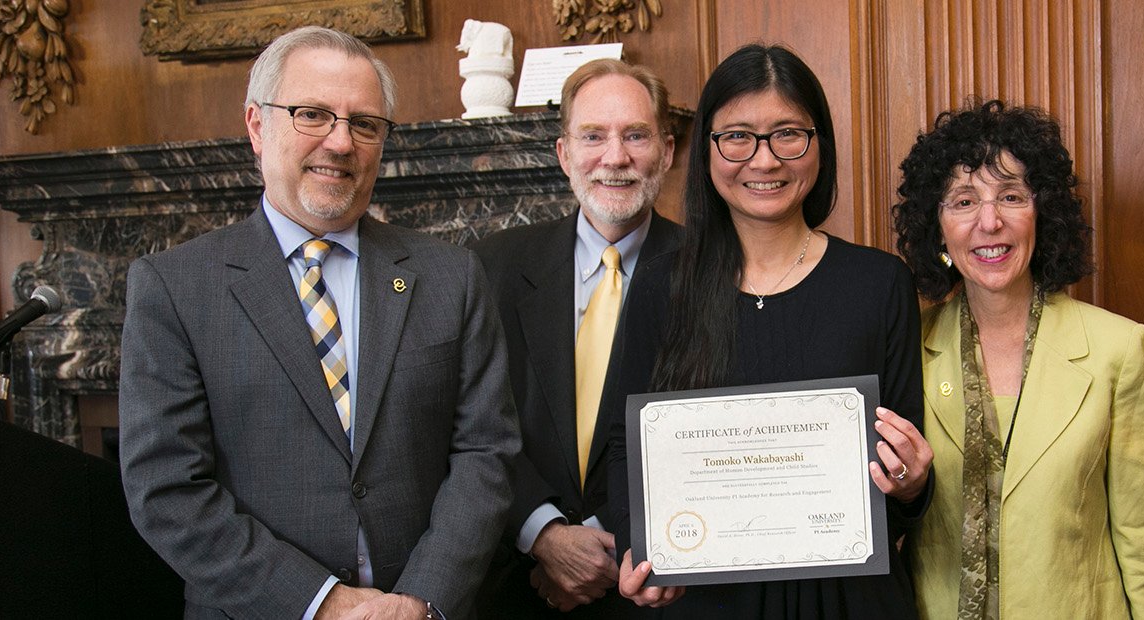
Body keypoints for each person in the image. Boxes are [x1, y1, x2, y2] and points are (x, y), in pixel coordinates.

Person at [119, 26, 520, 619]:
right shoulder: (174, 288)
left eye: (365, 124)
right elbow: (167, 489)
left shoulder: (451, 276)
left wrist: (418, 601)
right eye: (312, 115)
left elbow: (486, 452)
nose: (340, 142)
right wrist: (321, 604)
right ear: (257, 126)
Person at [604, 44, 935, 618]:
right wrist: (641, 546)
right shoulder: (662, 287)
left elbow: (905, 484)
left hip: (849, 602)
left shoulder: (880, 284)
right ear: (706, 150)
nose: (764, 160)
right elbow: (621, 446)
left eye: (788, 134)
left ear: (820, 143)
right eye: (737, 136)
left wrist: (910, 483)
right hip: (706, 602)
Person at [891, 99, 1144, 619]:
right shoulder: (906, 349)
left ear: (1042, 214)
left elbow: (1143, 535)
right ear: (937, 228)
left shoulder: (1119, 350)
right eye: (963, 201)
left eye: (1011, 196)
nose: (990, 221)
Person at [474, 58, 680, 618]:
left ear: (666, 151)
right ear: (564, 154)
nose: (614, 157)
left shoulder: (711, 273)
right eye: (593, 136)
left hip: (654, 586)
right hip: (515, 587)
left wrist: (603, 541)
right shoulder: (490, 267)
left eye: (635, 135)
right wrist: (543, 534)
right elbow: (468, 420)